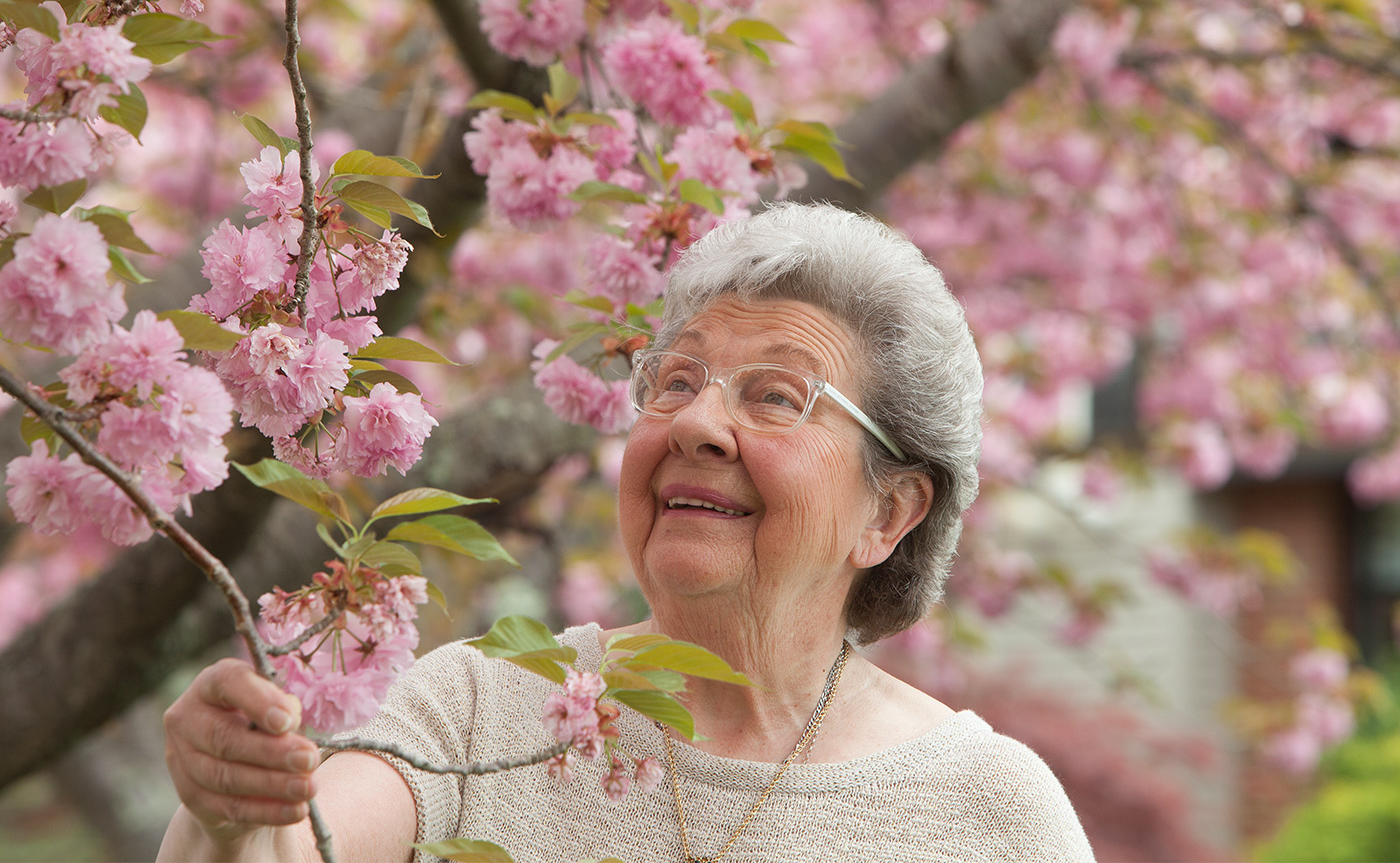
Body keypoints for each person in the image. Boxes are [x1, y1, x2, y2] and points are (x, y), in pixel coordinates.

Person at [159, 203, 1096, 862]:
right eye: (676, 382)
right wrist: (230, 811)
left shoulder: (986, 812)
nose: (695, 423)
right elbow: (299, 847)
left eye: (777, 396)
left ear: (888, 513)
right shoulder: (486, 704)